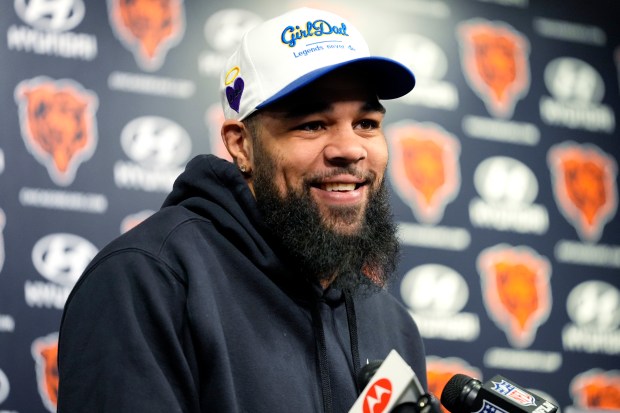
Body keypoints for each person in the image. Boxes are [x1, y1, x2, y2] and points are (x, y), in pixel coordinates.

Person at [57, 7, 426, 413]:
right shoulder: (149, 281)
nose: (351, 149)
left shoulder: (392, 324)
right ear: (240, 145)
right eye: (312, 124)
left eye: (367, 123)